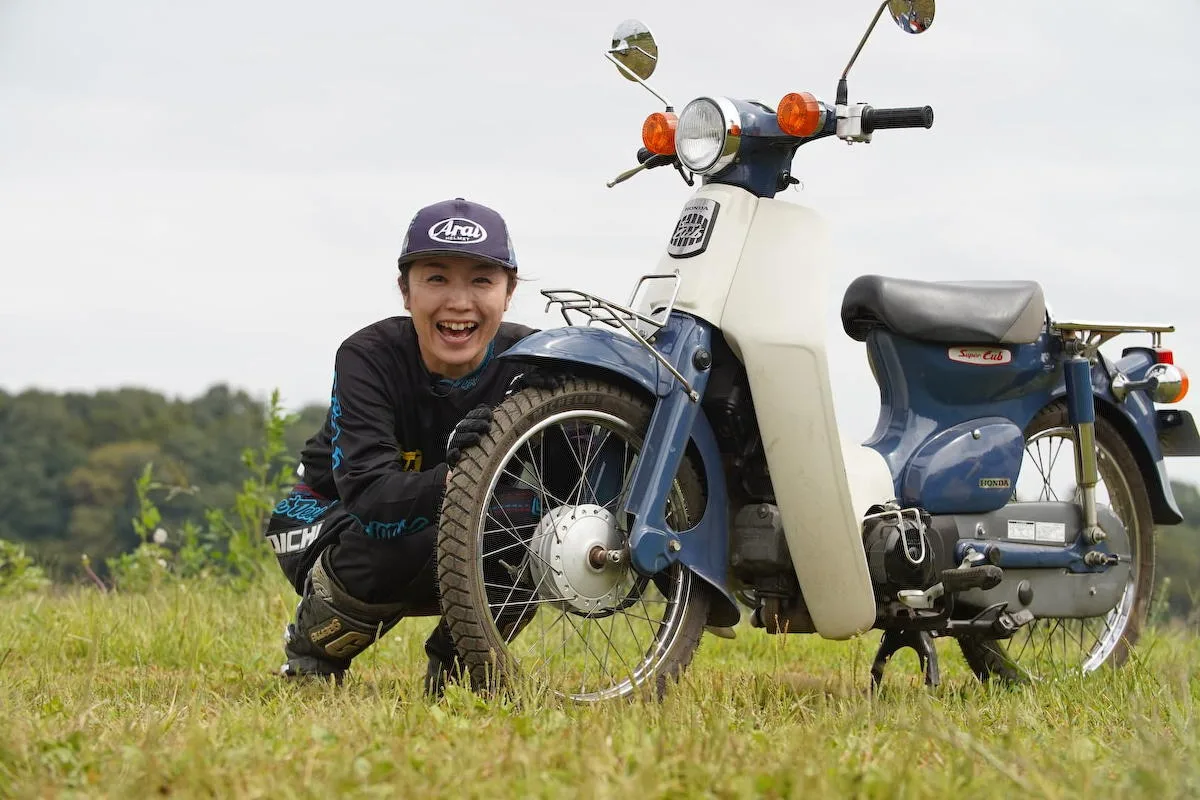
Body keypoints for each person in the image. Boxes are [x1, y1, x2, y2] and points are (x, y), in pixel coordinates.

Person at [264, 197, 540, 694]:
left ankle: (458, 665)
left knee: (538, 531)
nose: (458, 302)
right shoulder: (367, 356)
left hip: (451, 518)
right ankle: (314, 653)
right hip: (327, 517)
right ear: (405, 291)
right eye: (436, 278)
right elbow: (369, 497)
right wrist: (464, 477)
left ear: (508, 292)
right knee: (392, 540)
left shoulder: (532, 361)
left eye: (481, 280)